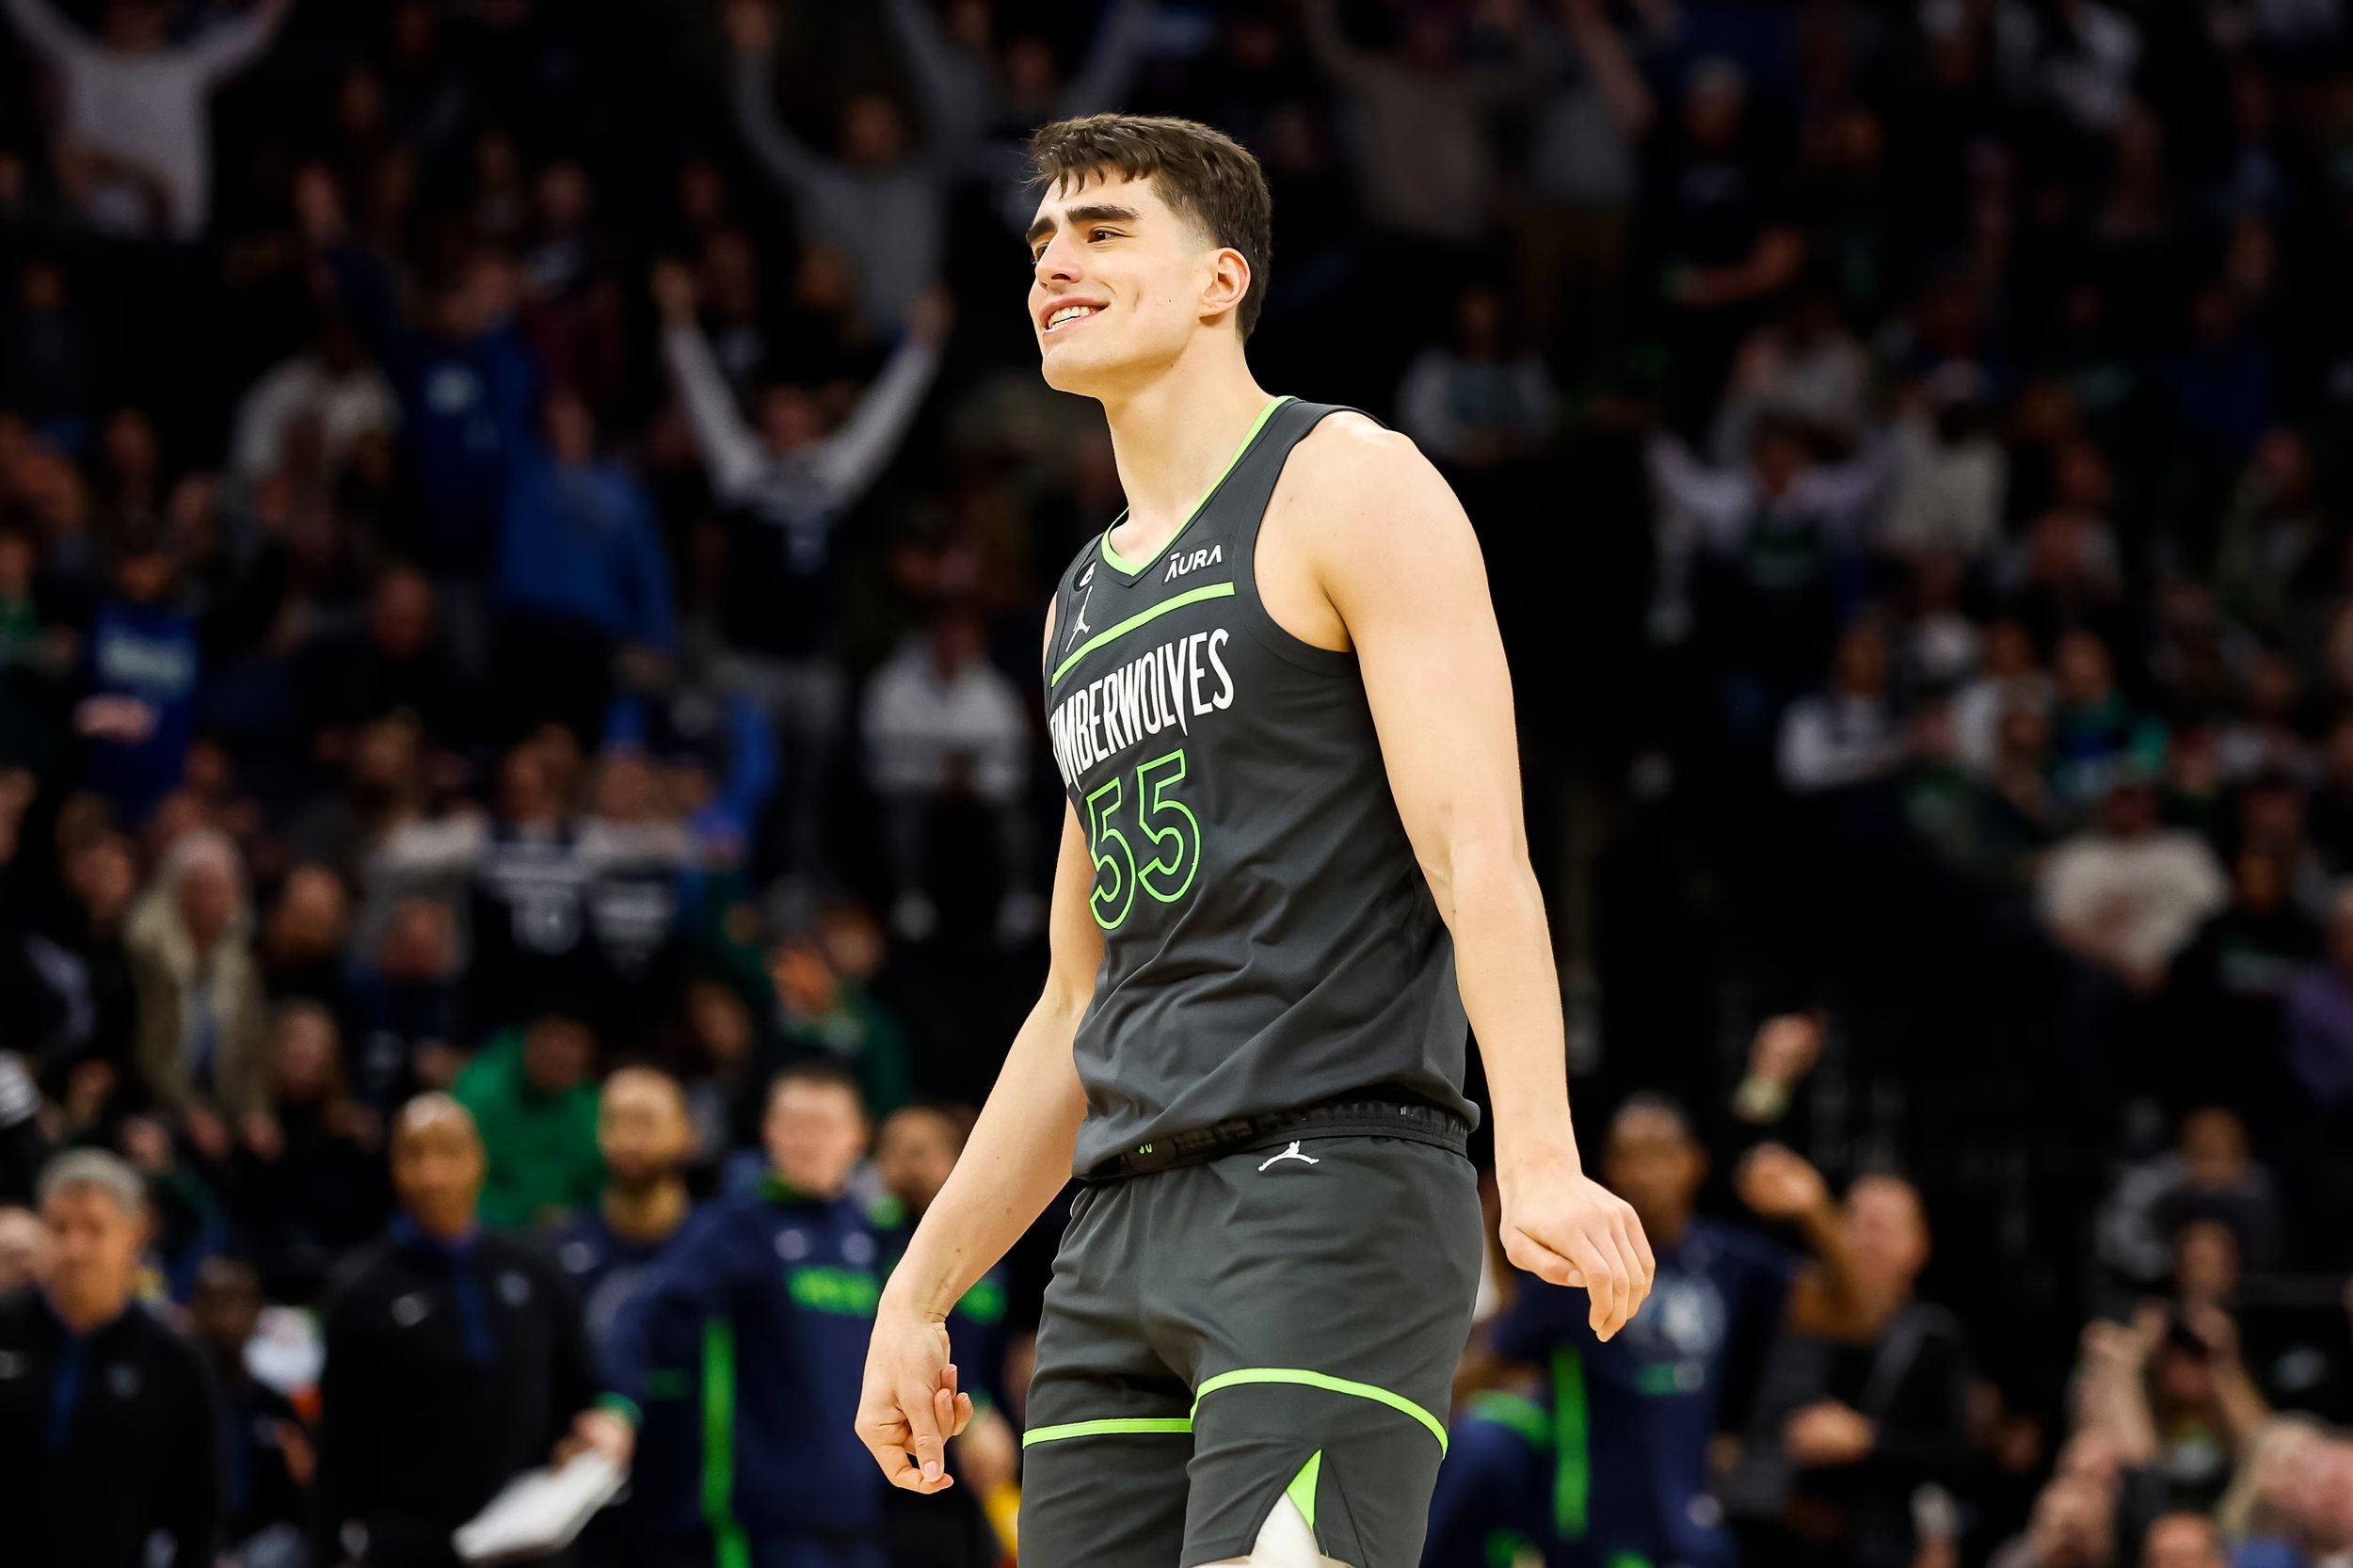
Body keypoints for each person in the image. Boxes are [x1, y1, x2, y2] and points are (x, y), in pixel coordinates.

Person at [857, 115, 1654, 1568]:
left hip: (1330, 1179)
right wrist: (918, 1291)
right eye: (1042, 241)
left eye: (1104, 231)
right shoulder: (1080, 602)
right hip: (1116, 1222)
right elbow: (1078, 995)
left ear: (1222, 278)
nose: (1054, 265)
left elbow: (1479, 851)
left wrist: (1539, 1156)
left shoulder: (1348, 482)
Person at [1425, 1098, 1865, 1568]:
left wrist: (1814, 1208)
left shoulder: (1728, 1262)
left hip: (1689, 1527)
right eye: (1626, 1156)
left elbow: (1854, 1313)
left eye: (1658, 1153)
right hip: (1595, 1538)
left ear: (1694, 1161)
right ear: (1608, 1168)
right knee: (1486, 1437)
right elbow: (1479, 1371)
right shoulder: (1575, 1271)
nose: (1642, 1172)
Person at [312, 1095, 629, 1568]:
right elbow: (337, 1441)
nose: (431, 1174)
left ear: (479, 1160)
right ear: (392, 1166)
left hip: (529, 1540)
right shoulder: (359, 1291)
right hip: (410, 1547)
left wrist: (592, 1433)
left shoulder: (536, 1270)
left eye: (449, 1152)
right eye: (414, 1154)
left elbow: (583, 1392)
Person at [595, 1063, 889, 1568]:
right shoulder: (733, 1227)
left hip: (858, 1507)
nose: (806, 1141)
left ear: (857, 1137)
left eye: (822, 1125)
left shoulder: (866, 1234)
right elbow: (643, 1319)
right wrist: (617, 1406)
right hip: (762, 1517)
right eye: (793, 1125)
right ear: (768, 1131)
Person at [0, 1148, 224, 1567]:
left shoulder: (175, 1361)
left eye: (94, 1229)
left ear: (135, 1234)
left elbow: (199, 1511)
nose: (75, 1248)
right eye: (59, 1228)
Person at [553, 1066, 701, 1568]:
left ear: (686, 1133)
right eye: (616, 1121)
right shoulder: (562, 1250)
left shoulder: (721, 1247)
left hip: (698, 1505)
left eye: (646, 1121)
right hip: (591, 1511)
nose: (629, 1138)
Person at [0, 0, 294, 240]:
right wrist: (136, 176)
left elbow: (255, 30)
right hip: (93, 238)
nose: (130, 19)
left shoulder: (183, 69)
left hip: (172, 242)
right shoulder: (82, 62)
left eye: (141, 10)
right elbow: (28, 14)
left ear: (158, 17)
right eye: (123, 8)